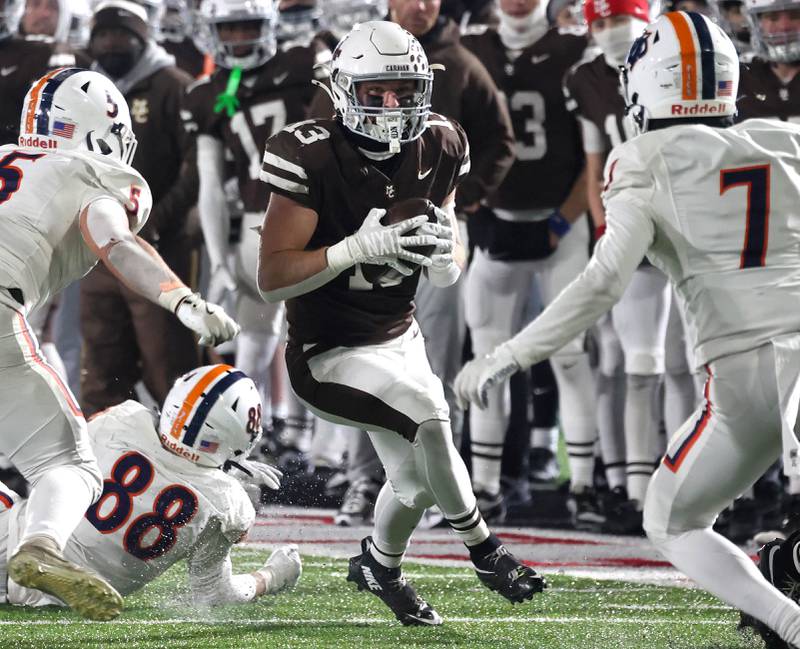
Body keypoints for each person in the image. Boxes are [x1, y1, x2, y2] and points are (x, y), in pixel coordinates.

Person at [455, 11, 800, 646]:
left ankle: (788, 622)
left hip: (745, 370)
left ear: (651, 81)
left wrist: (504, 357)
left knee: (672, 519)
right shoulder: (785, 137)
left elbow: (600, 286)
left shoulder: (643, 158)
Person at [258, 20, 544, 626]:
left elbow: (447, 234)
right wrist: (349, 251)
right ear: (340, 91)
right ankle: (485, 549)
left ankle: (379, 565)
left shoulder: (441, 141)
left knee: (413, 481)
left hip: (400, 333)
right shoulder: (308, 151)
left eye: (404, 90)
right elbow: (273, 277)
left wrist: (449, 258)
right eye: (375, 92)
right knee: (430, 416)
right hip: (327, 350)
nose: (392, 106)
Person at [0, 67, 238, 620]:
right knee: (71, 464)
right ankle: (40, 548)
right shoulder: (93, 172)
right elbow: (116, 241)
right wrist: (183, 300)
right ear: (99, 131)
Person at [0, 365, 301, 609]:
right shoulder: (226, 502)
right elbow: (214, 595)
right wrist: (271, 577)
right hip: (65, 595)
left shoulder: (124, 421)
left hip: (13, 534)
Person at [461, 0, 597, 525]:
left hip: (562, 223)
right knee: (489, 356)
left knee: (569, 353)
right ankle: (485, 486)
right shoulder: (470, 51)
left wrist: (562, 221)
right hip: (495, 223)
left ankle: (583, 486)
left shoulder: (576, 50)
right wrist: (472, 208)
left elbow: (596, 152)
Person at [564, 0, 697, 534]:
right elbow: (595, 166)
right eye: (600, 22)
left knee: (691, 362)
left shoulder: (681, 58)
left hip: (688, 224)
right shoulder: (589, 78)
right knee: (640, 364)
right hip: (633, 224)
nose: (611, 31)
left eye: (619, 17)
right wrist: (607, 232)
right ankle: (641, 491)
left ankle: (693, 483)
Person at [183, 0, 330, 450]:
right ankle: (264, 435)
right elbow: (209, 184)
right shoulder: (212, 91)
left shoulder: (302, 63)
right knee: (280, 331)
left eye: (249, 27)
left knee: (287, 332)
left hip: (287, 218)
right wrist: (221, 260)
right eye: (231, 29)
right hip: (267, 220)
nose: (241, 39)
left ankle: (292, 438)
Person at [79, 0, 202, 417]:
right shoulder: (81, 91)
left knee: (171, 371)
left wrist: (151, 223)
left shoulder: (174, 85)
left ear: (143, 37)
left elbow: (196, 169)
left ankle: (199, 472)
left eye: (121, 34)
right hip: (97, 254)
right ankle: (109, 470)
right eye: (103, 35)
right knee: (100, 375)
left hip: (160, 250)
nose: (111, 43)